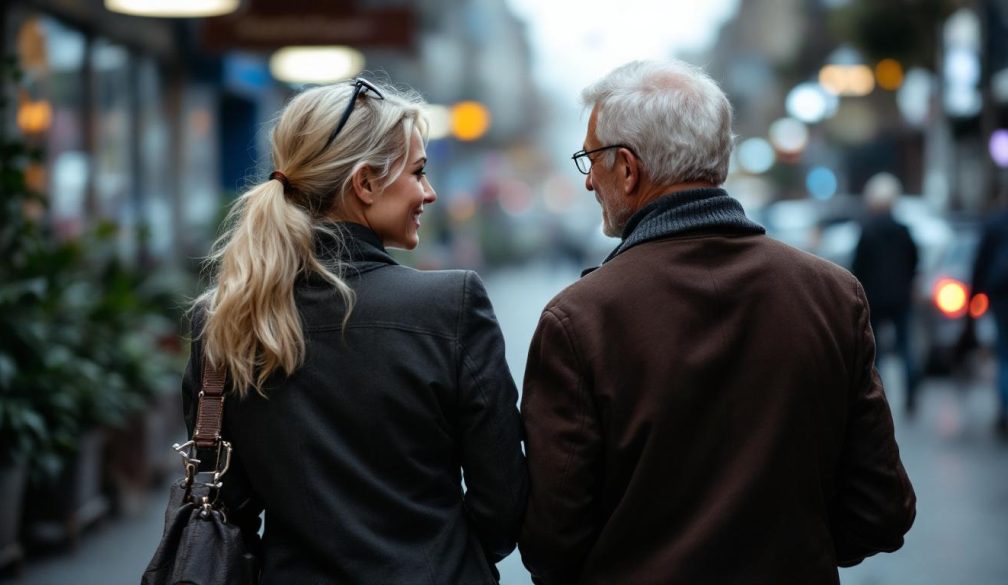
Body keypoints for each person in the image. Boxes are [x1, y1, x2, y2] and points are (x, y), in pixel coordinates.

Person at [518, 60, 916, 585]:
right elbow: (881, 511)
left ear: (630, 170)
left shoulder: (579, 321)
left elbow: (551, 541)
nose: (589, 178)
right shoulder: (833, 295)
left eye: (592, 160)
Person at [182, 77, 528, 584]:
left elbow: (227, 502)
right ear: (364, 184)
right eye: (418, 172)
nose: (429, 193)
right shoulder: (450, 306)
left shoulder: (224, 319)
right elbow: (503, 496)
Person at [851, 173, 920, 413]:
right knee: (905, 347)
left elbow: (857, 267)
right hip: (901, 297)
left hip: (874, 298)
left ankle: (878, 395)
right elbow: (914, 261)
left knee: (875, 351)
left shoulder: (867, 231)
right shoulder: (904, 231)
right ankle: (912, 395)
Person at [970, 203, 1008, 433]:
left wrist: (975, 296)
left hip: (1002, 300)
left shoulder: (995, 223)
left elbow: (981, 262)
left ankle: (1005, 411)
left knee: (1004, 356)